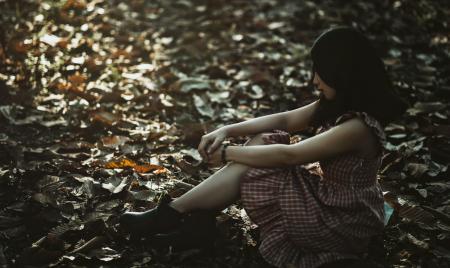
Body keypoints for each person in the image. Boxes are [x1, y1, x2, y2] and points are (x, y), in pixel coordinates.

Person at [119, 27, 408, 268]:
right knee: (264, 140)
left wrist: (226, 153)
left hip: (340, 221)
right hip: (330, 202)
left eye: (320, 72)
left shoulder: (357, 128)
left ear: (342, 74)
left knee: (263, 154)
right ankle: (185, 216)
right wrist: (226, 130)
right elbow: (285, 119)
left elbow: (289, 155)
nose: (314, 79)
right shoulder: (338, 104)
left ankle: (176, 216)